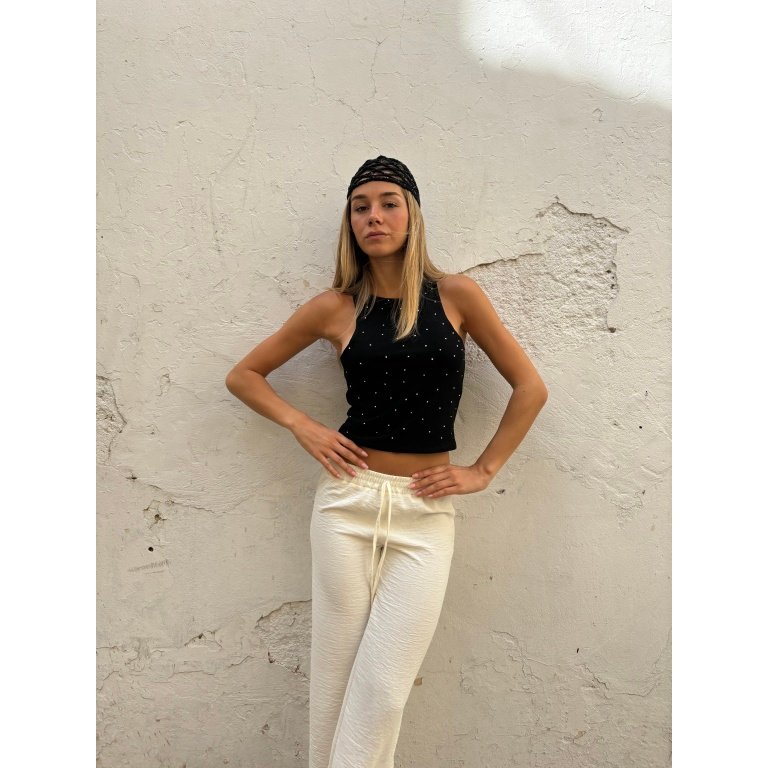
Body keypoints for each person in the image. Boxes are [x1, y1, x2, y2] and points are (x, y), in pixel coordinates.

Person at [225, 155, 548, 767]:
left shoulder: (456, 295)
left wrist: (482, 471)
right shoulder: (336, 307)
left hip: (425, 511)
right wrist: (303, 425)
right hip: (348, 501)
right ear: (350, 222)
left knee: (381, 691)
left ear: (412, 214)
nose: (374, 216)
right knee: (335, 679)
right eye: (361, 207)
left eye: (388, 203)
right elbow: (244, 375)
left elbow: (530, 388)